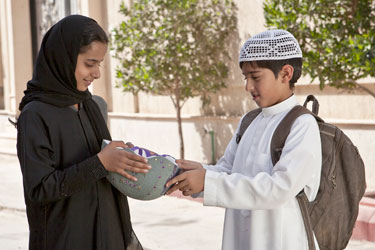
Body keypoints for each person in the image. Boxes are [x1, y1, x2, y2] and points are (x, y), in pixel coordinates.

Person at [166, 29, 322, 250]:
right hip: (241, 238)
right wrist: (200, 172)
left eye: (256, 77)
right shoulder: (250, 121)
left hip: (281, 240)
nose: (248, 87)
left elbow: (279, 189)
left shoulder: (302, 124)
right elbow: (230, 170)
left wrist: (208, 182)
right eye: (246, 78)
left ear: (286, 74)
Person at [16, 15, 151, 250]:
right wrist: (100, 162)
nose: (97, 73)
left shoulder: (89, 105)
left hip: (109, 237)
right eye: (90, 64)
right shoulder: (35, 115)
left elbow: (102, 166)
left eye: (99, 64)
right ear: (64, 58)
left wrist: (120, 159)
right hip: (66, 240)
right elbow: (40, 189)